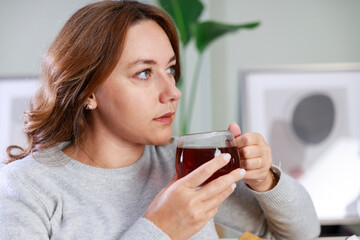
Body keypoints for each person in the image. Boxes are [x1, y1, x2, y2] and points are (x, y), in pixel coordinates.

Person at [0, 1, 320, 239]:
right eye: (144, 73)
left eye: (169, 69)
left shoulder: (185, 163)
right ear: (88, 92)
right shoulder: (27, 187)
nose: (173, 92)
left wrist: (265, 179)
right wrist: (160, 229)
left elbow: (303, 233)